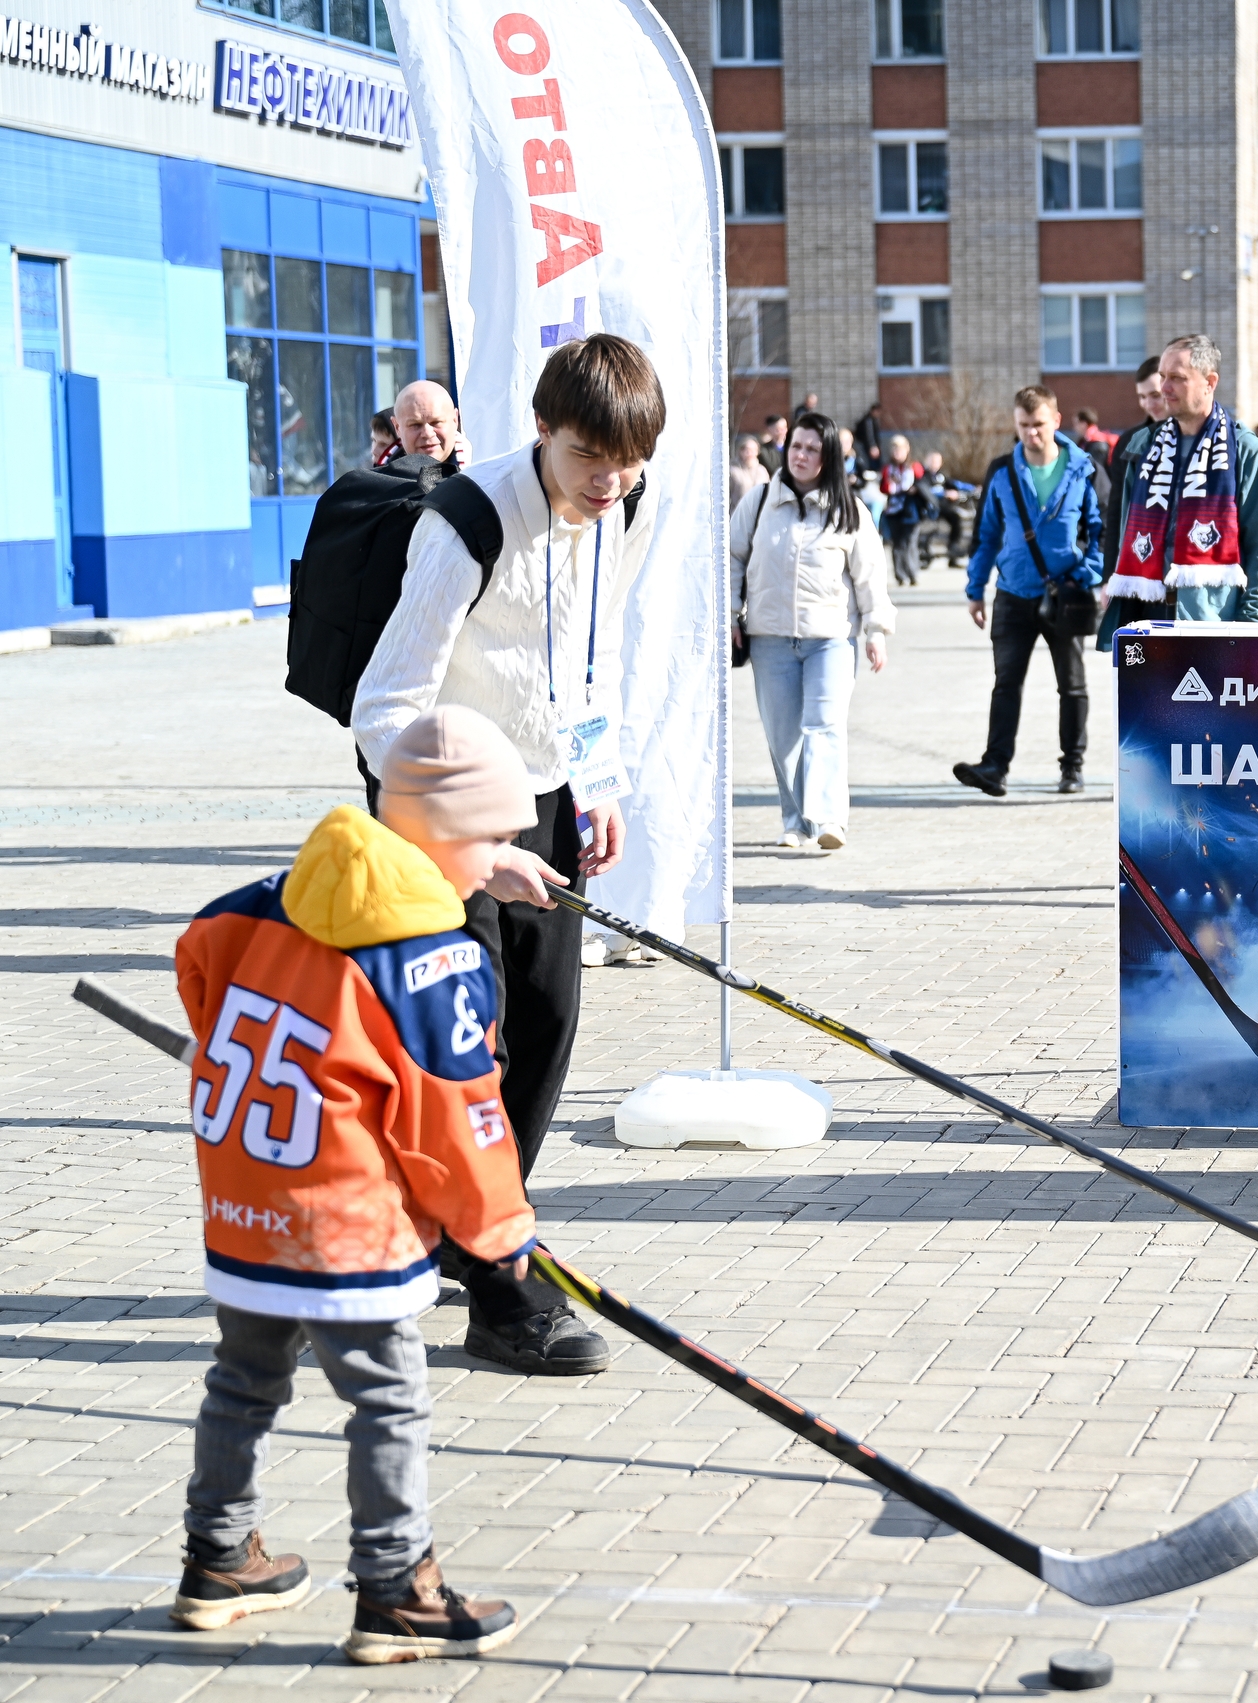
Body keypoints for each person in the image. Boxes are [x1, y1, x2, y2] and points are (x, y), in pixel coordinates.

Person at [169, 708, 541, 1661]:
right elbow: (461, 1117)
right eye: (498, 836)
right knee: (389, 1400)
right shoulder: (430, 960)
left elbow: (199, 950)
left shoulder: (270, 899)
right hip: (348, 1220)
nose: (504, 855)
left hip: (249, 1202)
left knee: (243, 1378)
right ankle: (395, 1588)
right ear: (451, 834)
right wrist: (502, 1234)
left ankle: (218, 1557)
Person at [349, 332, 662, 1375]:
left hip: (545, 789)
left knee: (548, 1017)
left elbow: (589, 659)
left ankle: (472, 1224)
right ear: (540, 431)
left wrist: (597, 783)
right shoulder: (466, 522)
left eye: (627, 463)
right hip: (435, 802)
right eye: (589, 459)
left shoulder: (623, 509)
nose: (609, 482)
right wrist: (473, 842)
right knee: (467, 1041)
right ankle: (499, 1288)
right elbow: (385, 706)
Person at [733, 413, 895, 851]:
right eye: (796, 446)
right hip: (769, 639)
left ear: (829, 458)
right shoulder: (759, 501)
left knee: (824, 726)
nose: (800, 456)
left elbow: (870, 575)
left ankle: (829, 820)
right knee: (784, 737)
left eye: (812, 449)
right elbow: (732, 557)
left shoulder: (850, 509)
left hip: (831, 639)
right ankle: (797, 822)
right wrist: (731, 614)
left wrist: (876, 630)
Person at [954, 386, 1106, 798]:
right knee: (1006, 683)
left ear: (1056, 420)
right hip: (1013, 593)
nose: (1030, 433)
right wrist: (975, 589)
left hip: (1066, 593)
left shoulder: (1084, 469)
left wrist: (1086, 575)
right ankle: (994, 766)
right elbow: (985, 534)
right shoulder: (1002, 471)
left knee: (1071, 685)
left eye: (1038, 424)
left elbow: (1102, 530)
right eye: (1023, 425)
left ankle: (1072, 766)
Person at [1102, 333, 1258, 625]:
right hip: (1145, 617)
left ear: (1210, 382)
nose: (1164, 388)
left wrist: (1252, 624)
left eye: (1177, 378)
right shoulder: (1143, 446)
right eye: (1162, 376)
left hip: (1212, 621)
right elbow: (1123, 532)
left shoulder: (1246, 451)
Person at [1100, 356, 1168, 578]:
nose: (1148, 404)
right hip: (1138, 565)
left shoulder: (1194, 440)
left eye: (1155, 395)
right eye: (1142, 397)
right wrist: (1109, 575)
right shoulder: (1129, 442)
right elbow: (1116, 511)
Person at [876, 433, 927, 587]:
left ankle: (913, 573)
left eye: (900, 449)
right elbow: (883, 488)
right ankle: (900, 575)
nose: (897, 453)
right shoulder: (888, 468)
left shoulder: (914, 467)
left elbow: (924, 485)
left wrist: (915, 489)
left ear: (907, 450)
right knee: (897, 543)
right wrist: (889, 484)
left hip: (911, 510)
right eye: (894, 449)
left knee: (910, 542)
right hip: (894, 510)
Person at [919, 449, 974, 570]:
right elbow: (926, 490)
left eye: (937, 461)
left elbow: (956, 484)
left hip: (944, 508)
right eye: (933, 461)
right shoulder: (924, 476)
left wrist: (973, 488)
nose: (935, 463)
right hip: (930, 509)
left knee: (956, 519)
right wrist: (945, 494)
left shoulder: (941, 476)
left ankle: (953, 552)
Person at [391, 381, 469, 465]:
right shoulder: (382, 471)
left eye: (436, 422)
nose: (427, 434)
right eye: (415, 425)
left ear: (455, 420)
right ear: (397, 427)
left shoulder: (476, 469)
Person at [728, 432, 770, 506]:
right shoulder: (732, 470)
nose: (750, 453)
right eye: (747, 450)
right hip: (738, 510)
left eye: (753, 450)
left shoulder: (762, 470)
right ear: (740, 451)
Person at [852, 401, 887, 475]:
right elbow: (869, 434)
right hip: (869, 446)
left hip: (869, 445)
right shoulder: (868, 421)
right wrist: (872, 446)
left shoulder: (872, 420)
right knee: (873, 462)